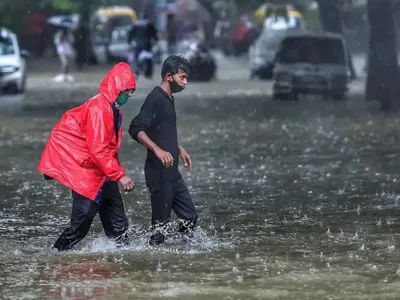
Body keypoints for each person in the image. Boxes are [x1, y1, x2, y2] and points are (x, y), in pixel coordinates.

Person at [38, 62, 137, 251]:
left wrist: (115, 174)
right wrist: (120, 175)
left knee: (120, 232)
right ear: (116, 87)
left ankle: (120, 269)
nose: (129, 96)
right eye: (127, 91)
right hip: (88, 175)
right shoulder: (100, 108)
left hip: (104, 174)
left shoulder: (112, 109)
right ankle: (54, 256)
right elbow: (98, 149)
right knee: (79, 229)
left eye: (131, 92)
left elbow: (109, 148)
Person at [129, 55, 198, 246]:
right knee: (160, 228)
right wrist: (157, 150)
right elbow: (136, 128)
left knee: (190, 216)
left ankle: (185, 255)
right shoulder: (156, 98)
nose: (185, 83)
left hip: (172, 172)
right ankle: (153, 266)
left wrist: (177, 147)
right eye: (182, 77)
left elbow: (160, 130)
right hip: (158, 174)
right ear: (169, 76)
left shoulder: (168, 98)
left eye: (187, 79)